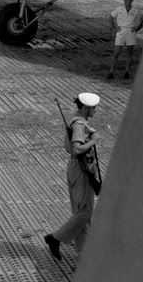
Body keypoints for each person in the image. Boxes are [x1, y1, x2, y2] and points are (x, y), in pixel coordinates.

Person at [45, 92, 100, 261]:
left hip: (76, 166)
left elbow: (68, 148)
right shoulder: (79, 125)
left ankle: (84, 254)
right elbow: (75, 149)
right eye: (93, 108)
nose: (96, 111)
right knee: (84, 212)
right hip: (82, 168)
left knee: (82, 212)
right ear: (85, 107)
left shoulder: (76, 121)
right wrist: (93, 140)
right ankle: (55, 238)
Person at [107, 0, 141, 79]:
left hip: (130, 31)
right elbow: (110, 18)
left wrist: (136, 30)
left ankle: (127, 71)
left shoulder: (135, 11)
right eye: (124, 0)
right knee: (116, 52)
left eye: (127, 0)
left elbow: (141, 22)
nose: (125, 2)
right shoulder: (119, 9)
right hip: (121, 31)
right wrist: (114, 28)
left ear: (131, 1)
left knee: (129, 52)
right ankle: (111, 71)